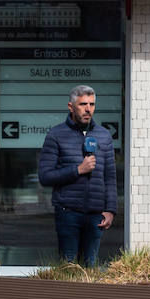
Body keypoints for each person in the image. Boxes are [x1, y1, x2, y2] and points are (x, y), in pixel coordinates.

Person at [37, 84, 117, 266]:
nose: (88, 109)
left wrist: (110, 210)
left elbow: (110, 177)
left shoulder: (104, 136)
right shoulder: (56, 135)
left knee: (90, 269)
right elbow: (45, 176)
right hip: (68, 213)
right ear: (71, 106)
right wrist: (78, 170)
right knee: (69, 268)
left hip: (96, 215)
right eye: (83, 104)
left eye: (92, 104)